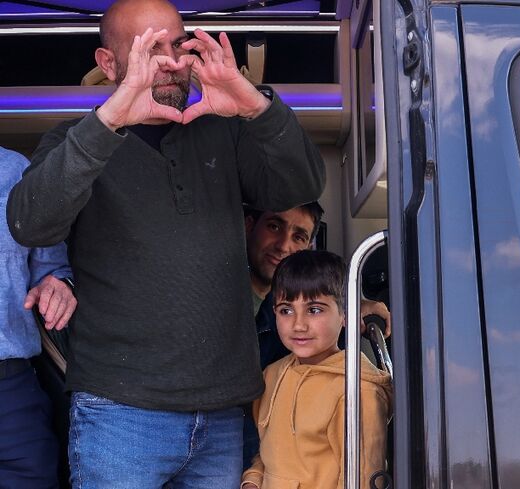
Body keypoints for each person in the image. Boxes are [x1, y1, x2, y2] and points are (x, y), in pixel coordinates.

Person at [4, 0, 325, 486]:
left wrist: (253, 105)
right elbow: (31, 222)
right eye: (150, 49)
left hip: (222, 413)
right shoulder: (73, 140)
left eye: (178, 44)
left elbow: (299, 186)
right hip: (119, 415)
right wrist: (109, 120)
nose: (173, 61)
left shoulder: (224, 133)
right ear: (109, 63)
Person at [241, 202, 392, 468]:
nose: (283, 245)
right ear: (249, 225)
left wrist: (355, 307)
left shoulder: (356, 389)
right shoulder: (273, 374)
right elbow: (268, 448)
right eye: (274, 226)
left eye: (298, 236)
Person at [1, 146, 77, 488]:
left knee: (34, 476)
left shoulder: (16, 169)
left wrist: (58, 285)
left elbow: (52, 267)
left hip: (10, 388)